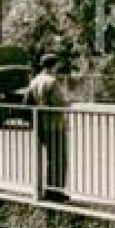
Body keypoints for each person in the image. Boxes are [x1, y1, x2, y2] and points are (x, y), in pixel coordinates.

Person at [25, 54, 70, 201]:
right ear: (54, 65)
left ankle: (49, 190)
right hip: (55, 124)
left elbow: (27, 103)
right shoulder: (52, 81)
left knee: (51, 158)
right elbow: (60, 102)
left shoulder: (35, 81)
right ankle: (55, 192)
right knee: (60, 159)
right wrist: (68, 102)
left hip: (42, 124)